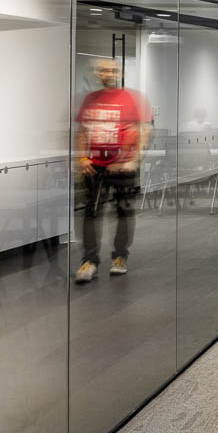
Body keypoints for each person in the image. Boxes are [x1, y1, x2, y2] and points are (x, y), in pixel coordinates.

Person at [74, 58, 152, 283]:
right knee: (91, 213)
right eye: (103, 70)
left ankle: (120, 257)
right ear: (97, 73)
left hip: (122, 168)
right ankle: (89, 261)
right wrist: (81, 158)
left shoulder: (132, 99)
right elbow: (81, 132)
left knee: (124, 213)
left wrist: (134, 160)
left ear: (119, 72)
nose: (107, 73)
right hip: (95, 167)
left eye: (112, 69)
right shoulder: (90, 100)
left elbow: (143, 131)